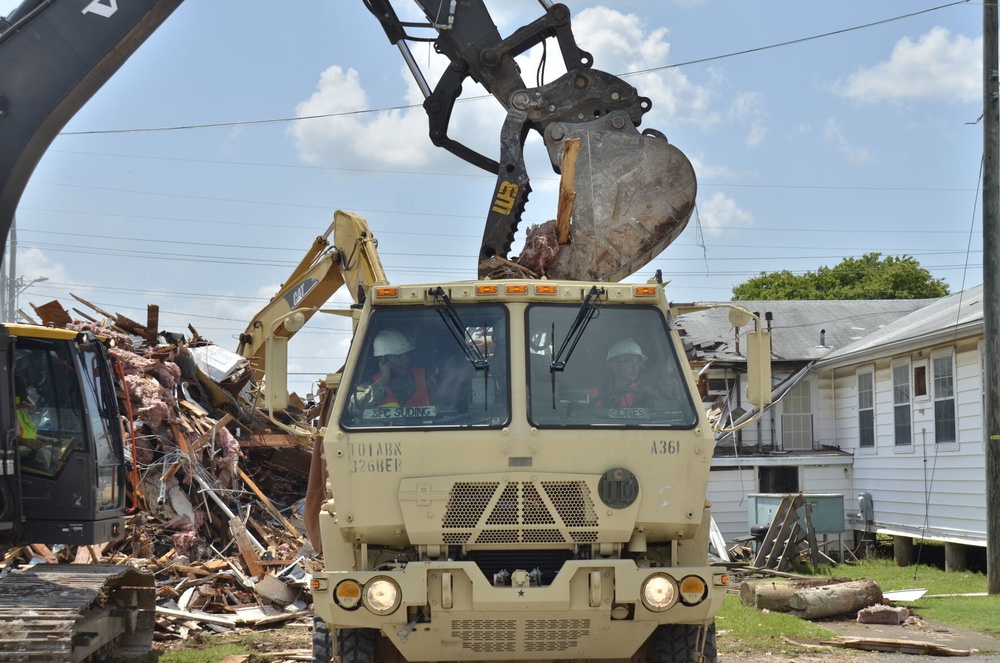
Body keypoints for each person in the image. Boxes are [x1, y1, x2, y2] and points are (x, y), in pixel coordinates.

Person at [365, 328, 435, 407]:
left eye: (407, 354)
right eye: (399, 356)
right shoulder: (369, 386)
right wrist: (384, 380)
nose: (406, 360)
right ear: (383, 359)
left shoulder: (425, 379)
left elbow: (447, 407)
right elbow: (353, 407)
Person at [588, 338, 654, 408]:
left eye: (638, 363)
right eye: (629, 362)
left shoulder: (645, 393)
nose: (635, 367)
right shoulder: (596, 393)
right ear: (613, 365)